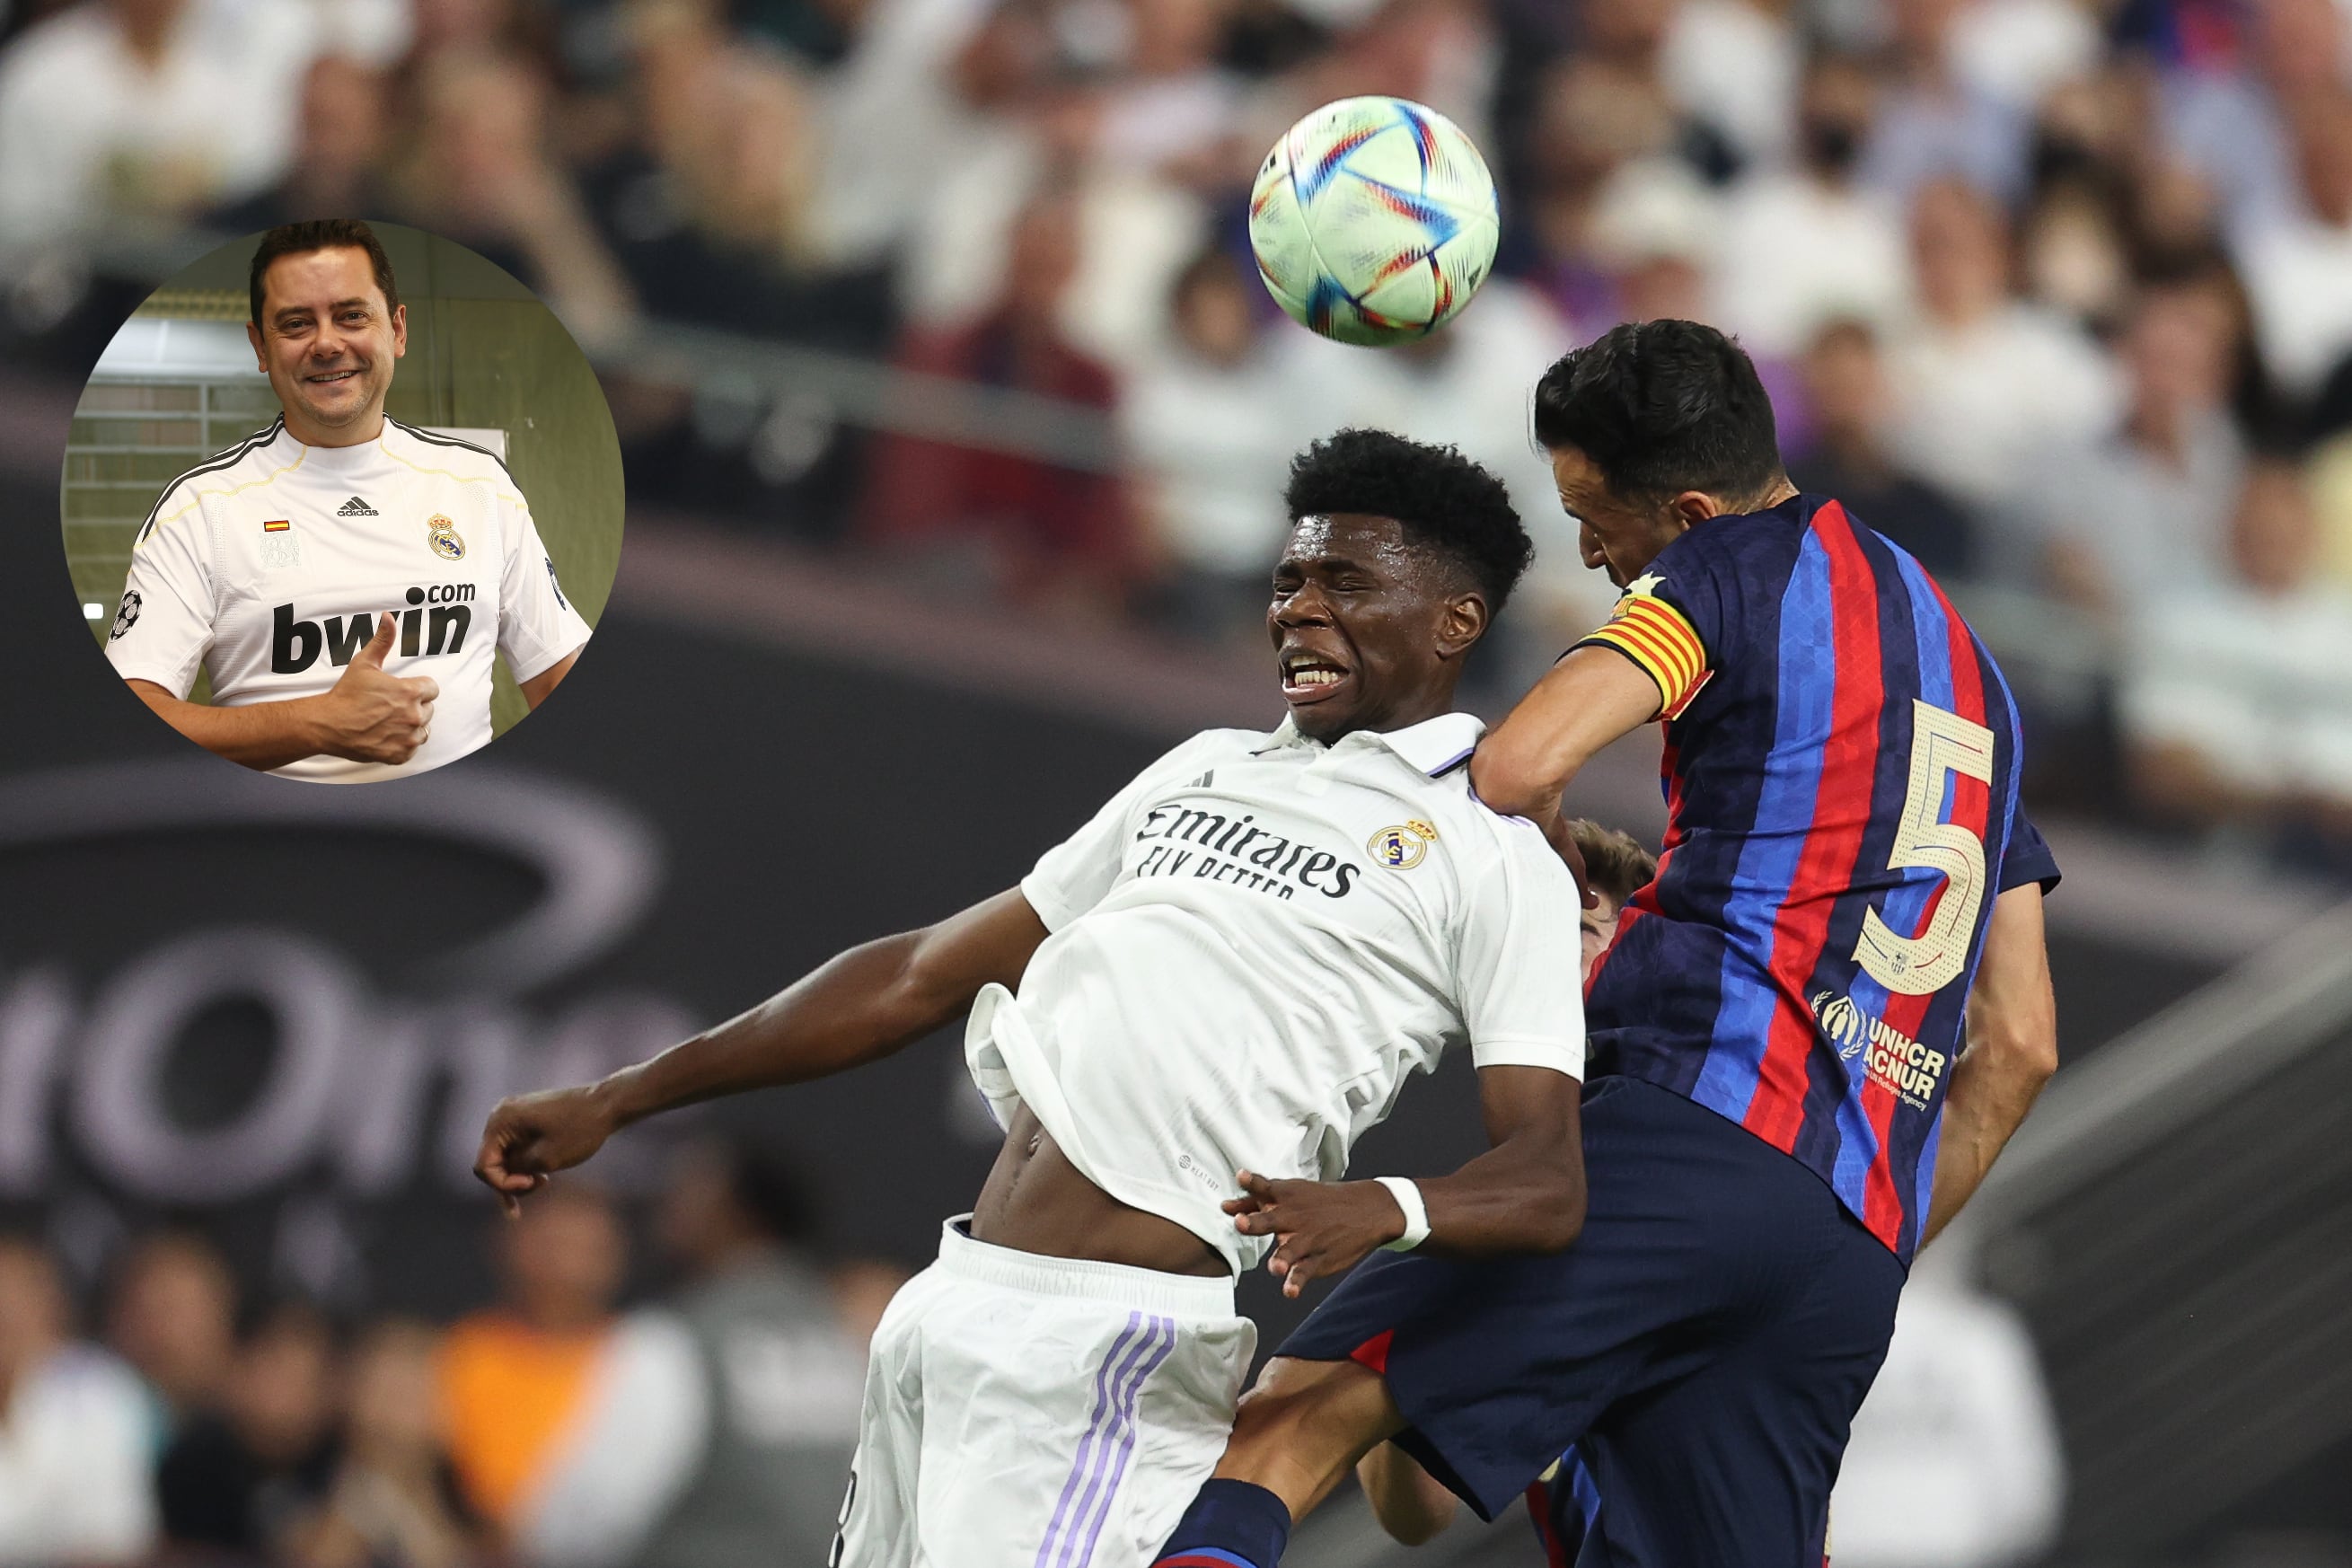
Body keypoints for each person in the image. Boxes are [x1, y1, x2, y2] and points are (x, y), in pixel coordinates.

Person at [473, 428, 1592, 1568]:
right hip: (947, 1307)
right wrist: (621, 1097)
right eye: (1288, 580)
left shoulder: (1493, 857)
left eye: (1345, 582)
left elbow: (1546, 1182)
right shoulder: (1206, 764)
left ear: (1457, 621)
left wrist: (1385, 1209)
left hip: (1107, 1348)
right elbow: (920, 973)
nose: (1298, 609)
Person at [1150, 321, 2062, 1568]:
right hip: (1845, 1246)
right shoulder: (1975, 679)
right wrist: (1862, 1234)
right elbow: (2014, 1047)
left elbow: (1515, 763)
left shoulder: (1728, 570)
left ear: (1685, 507)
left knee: (1289, 1424)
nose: (1585, 546)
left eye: (1589, 515)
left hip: (1688, 1130)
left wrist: (1559, 869)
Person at [103, 217, 594, 782]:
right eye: (295, 324)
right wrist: (318, 723)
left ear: (398, 330)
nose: (328, 343)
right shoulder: (200, 509)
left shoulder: (479, 485)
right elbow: (133, 722)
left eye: (351, 315)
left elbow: (561, 681)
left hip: (460, 835)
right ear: (260, 347)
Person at [1355, 820, 1660, 1555]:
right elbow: (1416, 1513)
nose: (1547, 959)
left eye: (1583, 929)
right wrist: (1385, 1355)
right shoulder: (1508, 1210)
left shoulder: (1722, 1168)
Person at [0, 1233, 156, 1565]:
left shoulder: (104, 1389)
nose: (6, 1315)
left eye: (17, 1296)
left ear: (51, 1304)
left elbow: (117, 1537)